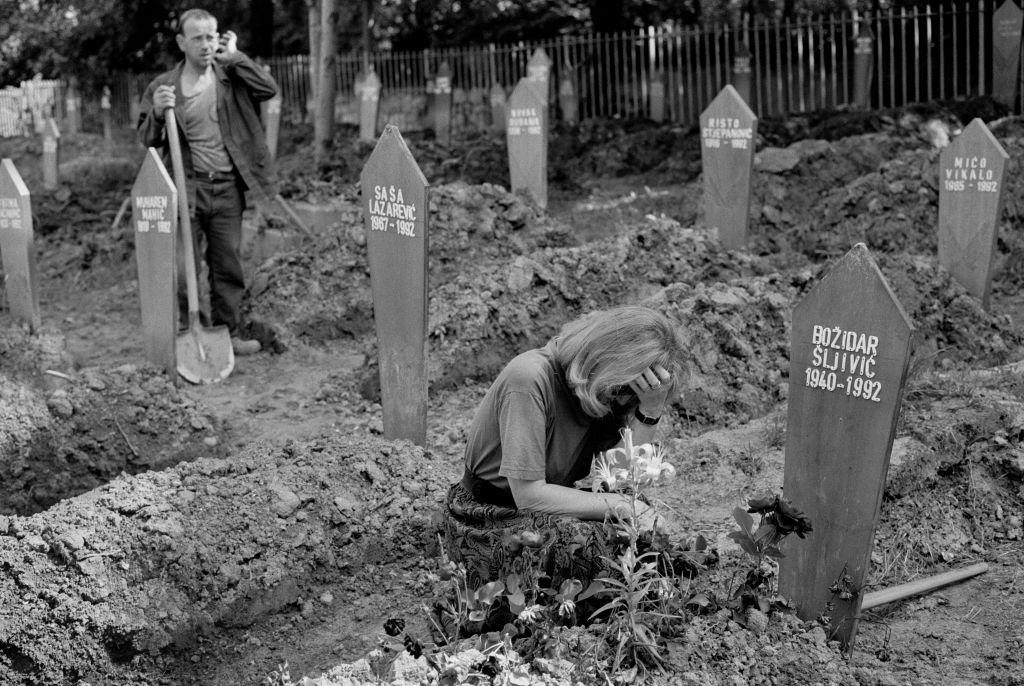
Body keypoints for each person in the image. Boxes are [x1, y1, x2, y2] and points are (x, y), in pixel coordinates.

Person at [442, 305, 686, 591]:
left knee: (640, 533)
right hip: (487, 517)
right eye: (626, 390)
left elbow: (618, 483)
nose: (624, 403)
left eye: (636, 395)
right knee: (586, 547)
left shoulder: (605, 393)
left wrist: (649, 411)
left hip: (541, 511)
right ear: (608, 362)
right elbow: (529, 495)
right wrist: (621, 506)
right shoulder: (529, 379)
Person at [138, 8, 278, 356]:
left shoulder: (231, 76)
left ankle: (228, 333)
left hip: (228, 187)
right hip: (188, 187)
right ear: (182, 42)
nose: (205, 44)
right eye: (197, 38)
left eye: (211, 37)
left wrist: (236, 57)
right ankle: (189, 334)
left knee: (227, 265)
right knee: (185, 269)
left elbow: (268, 89)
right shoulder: (163, 86)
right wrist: (157, 113)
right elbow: (147, 138)